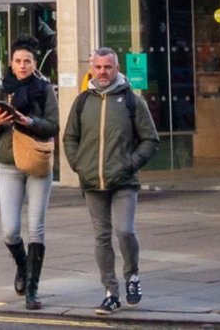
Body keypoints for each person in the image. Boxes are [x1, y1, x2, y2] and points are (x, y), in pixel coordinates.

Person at [62, 48, 159, 315]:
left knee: (125, 231)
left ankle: (132, 275)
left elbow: (151, 140)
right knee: (101, 237)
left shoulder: (131, 101)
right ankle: (110, 293)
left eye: (108, 67)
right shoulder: (83, 101)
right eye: (98, 67)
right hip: (92, 181)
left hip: (124, 180)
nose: (103, 72)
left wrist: (130, 164)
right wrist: (78, 164)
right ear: (92, 68)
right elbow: (70, 137)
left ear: (117, 68)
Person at [0, 37, 59, 310]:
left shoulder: (45, 89)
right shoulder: (4, 90)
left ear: (34, 63)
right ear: (11, 64)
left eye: (27, 61)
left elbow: (53, 125)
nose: (22, 65)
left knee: (36, 227)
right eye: (18, 61)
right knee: (10, 231)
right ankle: (22, 265)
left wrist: (30, 121)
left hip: (37, 163)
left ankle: (32, 290)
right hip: (10, 164)